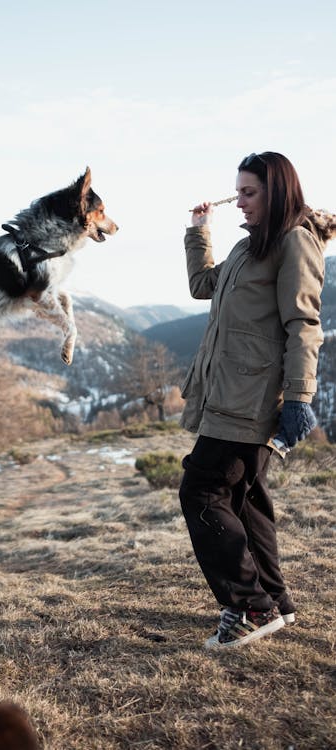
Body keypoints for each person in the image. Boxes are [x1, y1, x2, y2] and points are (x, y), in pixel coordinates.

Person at [179, 151, 336, 649]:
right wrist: (199, 231)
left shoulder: (294, 243)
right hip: (228, 392)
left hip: (252, 400)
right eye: (239, 192)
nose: (240, 202)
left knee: (201, 492)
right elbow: (203, 285)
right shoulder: (250, 248)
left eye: (249, 192)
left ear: (277, 190)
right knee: (246, 502)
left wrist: (299, 397)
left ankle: (250, 607)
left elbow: (303, 326)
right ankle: (275, 602)